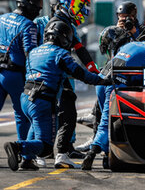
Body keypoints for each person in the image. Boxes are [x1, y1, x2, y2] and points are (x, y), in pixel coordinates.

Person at [3, 20, 111, 171]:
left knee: (35, 126)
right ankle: (17, 147)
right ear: (64, 38)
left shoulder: (34, 51)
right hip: (42, 100)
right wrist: (102, 80)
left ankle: (27, 160)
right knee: (46, 146)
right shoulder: (61, 54)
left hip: (25, 97)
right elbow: (80, 73)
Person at [81, 24, 145, 170]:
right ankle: (93, 153)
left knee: (104, 122)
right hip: (116, 85)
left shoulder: (133, 44)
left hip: (101, 80)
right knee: (107, 123)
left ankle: (105, 157)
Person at [49, 0, 100, 168]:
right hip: (49, 75)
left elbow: (80, 50)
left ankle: (55, 151)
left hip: (55, 74)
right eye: (82, 8)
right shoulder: (55, 24)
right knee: (50, 114)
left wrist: (93, 69)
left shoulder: (67, 24)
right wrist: (92, 76)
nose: (84, 14)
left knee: (65, 111)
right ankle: (35, 151)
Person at [0, 0, 42, 141]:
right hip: (15, 75)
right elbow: (31, 54)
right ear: (30, 7)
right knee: (23, 115)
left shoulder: (2, 18)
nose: (37, 13)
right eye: (37, 9)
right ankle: (24, 155)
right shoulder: (28, 25)